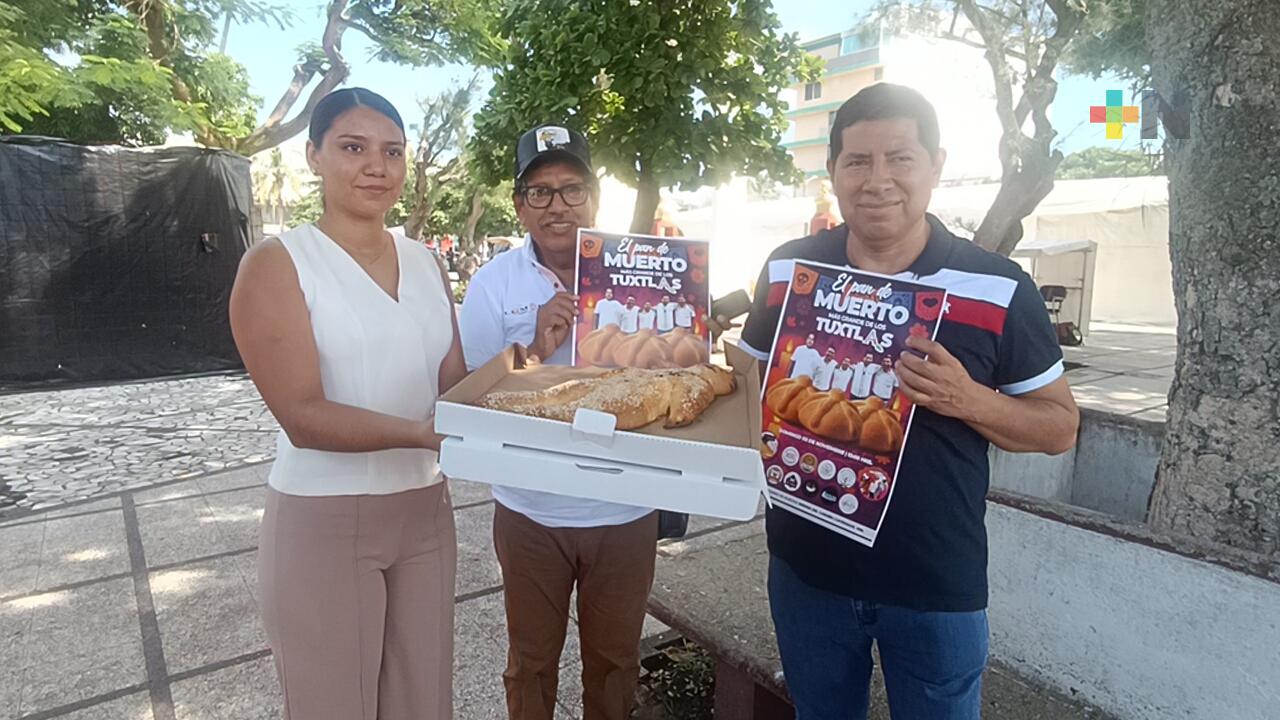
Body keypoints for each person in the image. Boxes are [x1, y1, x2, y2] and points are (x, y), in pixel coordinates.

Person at [738, 83, 1079, 720]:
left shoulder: (998, 287)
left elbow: (1059, 428)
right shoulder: (788, 271)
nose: (879, 181)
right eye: (857, 162)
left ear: (935, 166)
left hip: (933, 586)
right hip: (806, 571)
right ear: (834, 171)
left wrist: (968, 399)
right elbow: (748, 381)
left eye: (900, 158)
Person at [228, 88, 465, 720]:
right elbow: (302, 415)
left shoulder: (425, 263)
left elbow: (456, 388)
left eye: (392, 152)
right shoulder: (279, 263)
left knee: (424, 703)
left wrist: (531, 355)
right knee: (332, 705)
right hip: (324, 518)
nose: (377, 167)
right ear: (313, 156)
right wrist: (423, 434)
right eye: (352, 148)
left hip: (424, 512)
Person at [458, 124, 658, 720]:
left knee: (617, 663)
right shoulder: (494, 283)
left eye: (571, 190)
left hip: (626, 507)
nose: (557, 206)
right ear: (520, 205)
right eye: (539, 192)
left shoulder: (643, 271)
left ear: (594, 198)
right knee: (530, 662)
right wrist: (535, 347)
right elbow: (471, 397)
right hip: (530, 511)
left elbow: (670, 376)